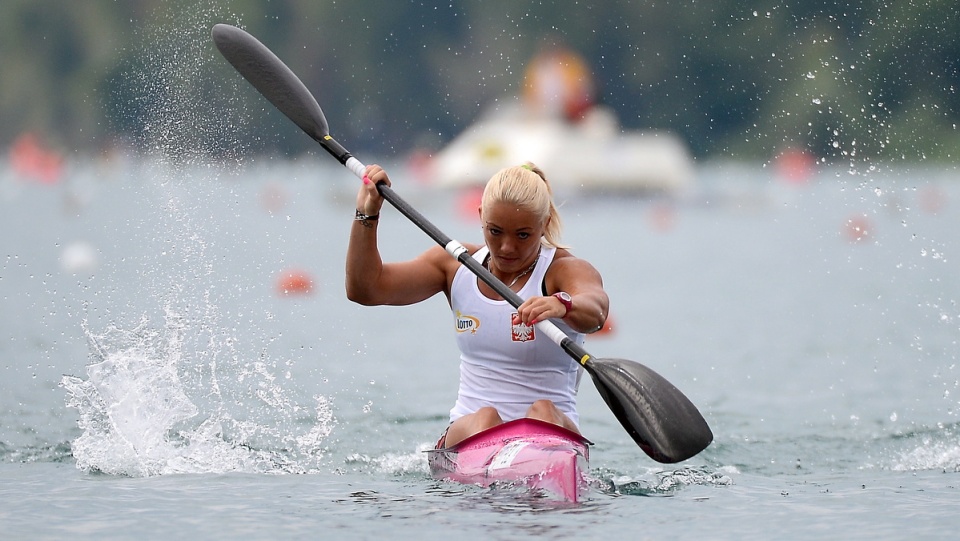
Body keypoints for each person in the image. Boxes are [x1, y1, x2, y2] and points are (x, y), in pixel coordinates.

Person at [346, 162, 609, 448]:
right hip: (471, 432)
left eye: (522, 235)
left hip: (549, 435)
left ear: (544, 224)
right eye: (495, 232)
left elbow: (596, 310)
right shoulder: (456, 264)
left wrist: (562, 305)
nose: (507, 247)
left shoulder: (564, 270)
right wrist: (367, 214)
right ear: (481, 216)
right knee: (484, 417)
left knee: (543, 412)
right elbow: (365, 290)